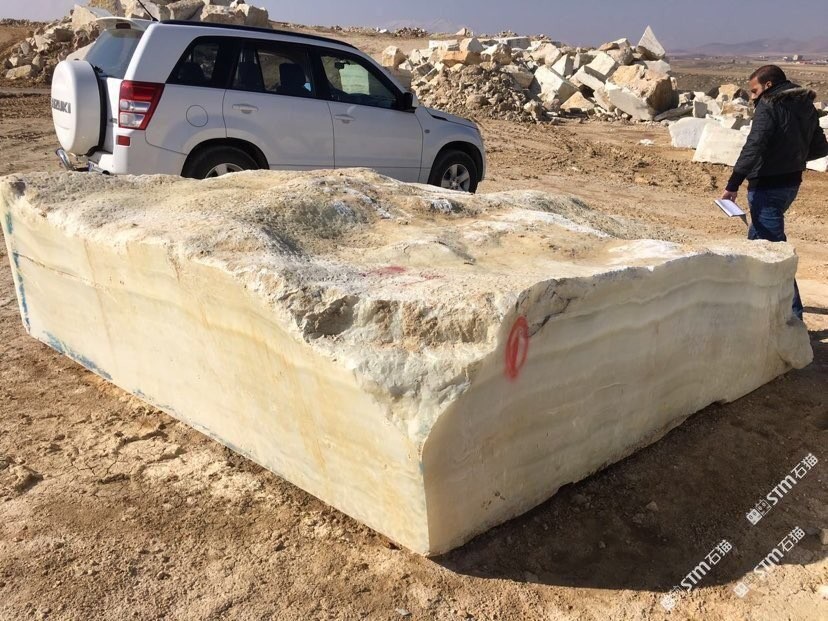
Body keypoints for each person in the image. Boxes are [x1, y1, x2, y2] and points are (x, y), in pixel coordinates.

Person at [720, 65, 828, 320]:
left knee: (776, 254)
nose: (752, 96)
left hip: (767, 186)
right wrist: (791, 158)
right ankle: (749, 303)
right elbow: (820, 146)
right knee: (756, 243)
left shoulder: (768, 104)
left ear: (768, 85)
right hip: (791, 183)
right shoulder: (804, 103)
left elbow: (754, 144)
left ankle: (792, 319)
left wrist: (733, 184)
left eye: (754, 90)